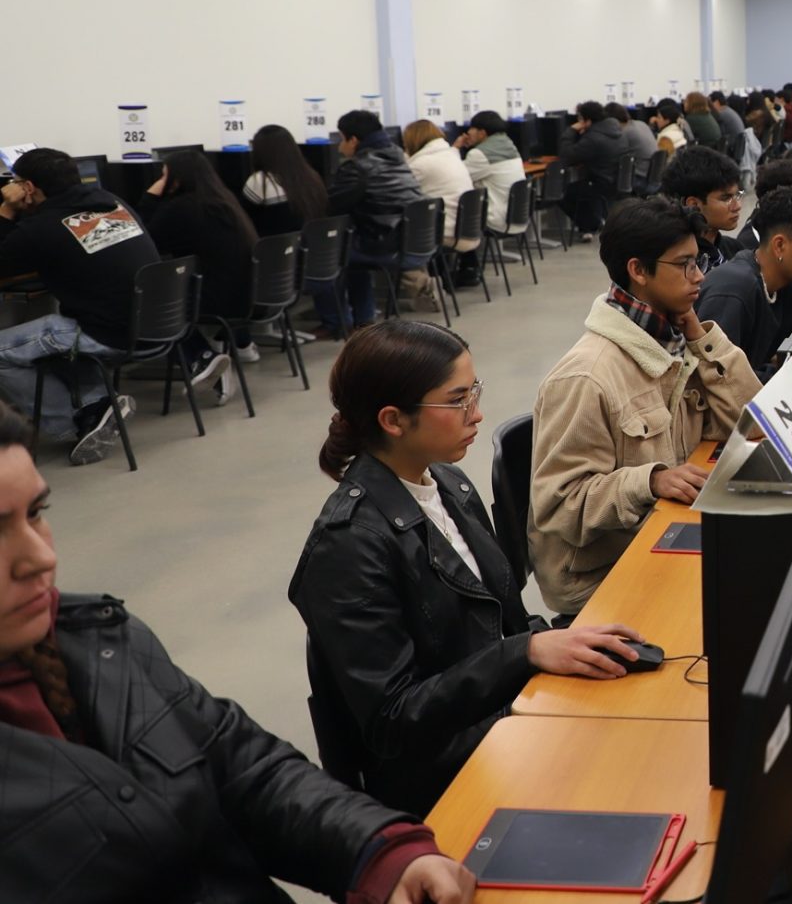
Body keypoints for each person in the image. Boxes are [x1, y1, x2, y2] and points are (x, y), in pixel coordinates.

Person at [0, 400, 479, 902]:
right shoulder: (354, 536)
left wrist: (382, 852)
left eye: (36, 514)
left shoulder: (102, 640)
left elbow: (246, 772)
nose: (40, 557)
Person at [290, 322, 643, 814]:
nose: (476, 413)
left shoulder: (447, 483)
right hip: (445, 776)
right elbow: (393, 718)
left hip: (499, 722)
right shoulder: (348, 546)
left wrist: (559, 645)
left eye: (474, 392)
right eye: (457, 401)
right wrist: (525, 653)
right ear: (393, 420)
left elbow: (501, 621)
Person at [529, 198, 759, 615]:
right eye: (685, 265)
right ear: (638, 270)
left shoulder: (674, 339)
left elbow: (751, 424)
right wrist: (649, 482)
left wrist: (702, 338)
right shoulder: (586, 377)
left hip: (660, 530)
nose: (699, 277)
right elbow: (561, 506)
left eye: (698, 262)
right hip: (601, 576)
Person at [0, 148, 156, 463]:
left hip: (104, 332)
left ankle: (80, 418)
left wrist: (5, 210)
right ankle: (100, 404)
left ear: (27, 187)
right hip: (150, 323)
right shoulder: (112, 202)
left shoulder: (43, 227)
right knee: (52, 332)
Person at [136, 147, 257, 397]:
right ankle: (225, 350)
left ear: (177, 179)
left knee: (153, 307)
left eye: (164, 175)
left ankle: (203, 357)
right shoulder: (223, 199)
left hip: (216, 300)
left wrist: (150, 195)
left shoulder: (182, 208)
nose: (161, 180)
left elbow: (144, 240)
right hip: (243, 295)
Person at [696, 188, 792, 377]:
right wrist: (783, 372)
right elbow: (716, 377)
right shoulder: (733, 291)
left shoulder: (785, 284)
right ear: (779, 245)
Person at [317, 111, 428, 338]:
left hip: (386, 245)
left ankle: (336, 323)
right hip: (409, 241)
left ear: (353, 140)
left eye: (341, 139)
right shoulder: (397, 156)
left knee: (327, 254)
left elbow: (329, 207)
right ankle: (364, 321)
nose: (339, 147)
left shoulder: (358, 167)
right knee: (352, 251)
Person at [659, 145, 744, 273]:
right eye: (726, 198)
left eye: (737, 195)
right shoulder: (678, 265)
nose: (737, 206)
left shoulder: (735, 250)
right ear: (693, 205)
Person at [243, 122, 330, 238]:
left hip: (274, 247)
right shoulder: (312, 177)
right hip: (313, 246)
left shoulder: (260, 181)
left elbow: (244, 222)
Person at [400, 120, 473, 247]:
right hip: (466, 230)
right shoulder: (450, 155)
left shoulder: (421, 164)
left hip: (446, 233)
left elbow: (400, 191)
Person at [559, 100, 624, 238]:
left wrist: (571, 131)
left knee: (563, 193)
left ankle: (591, 224)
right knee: (579, 189)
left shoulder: (593, 138)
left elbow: (567, 156)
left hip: (600, 183)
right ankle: (592, 223)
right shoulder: (615, 129)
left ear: (587, 120)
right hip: (615, 181)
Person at [455, 110, 522, 235]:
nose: (468, 132)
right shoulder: (511, 146)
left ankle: (465, 248)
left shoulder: (479, 154)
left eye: (471, 128)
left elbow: (455, 175)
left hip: (496, 221)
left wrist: (456, 148)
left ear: (482, 133)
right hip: (517, 217)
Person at [605, 101, 658, 171]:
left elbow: (612, 154)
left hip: (640, 173)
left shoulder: (624, 133)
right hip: (653, 171)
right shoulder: (642, 124)